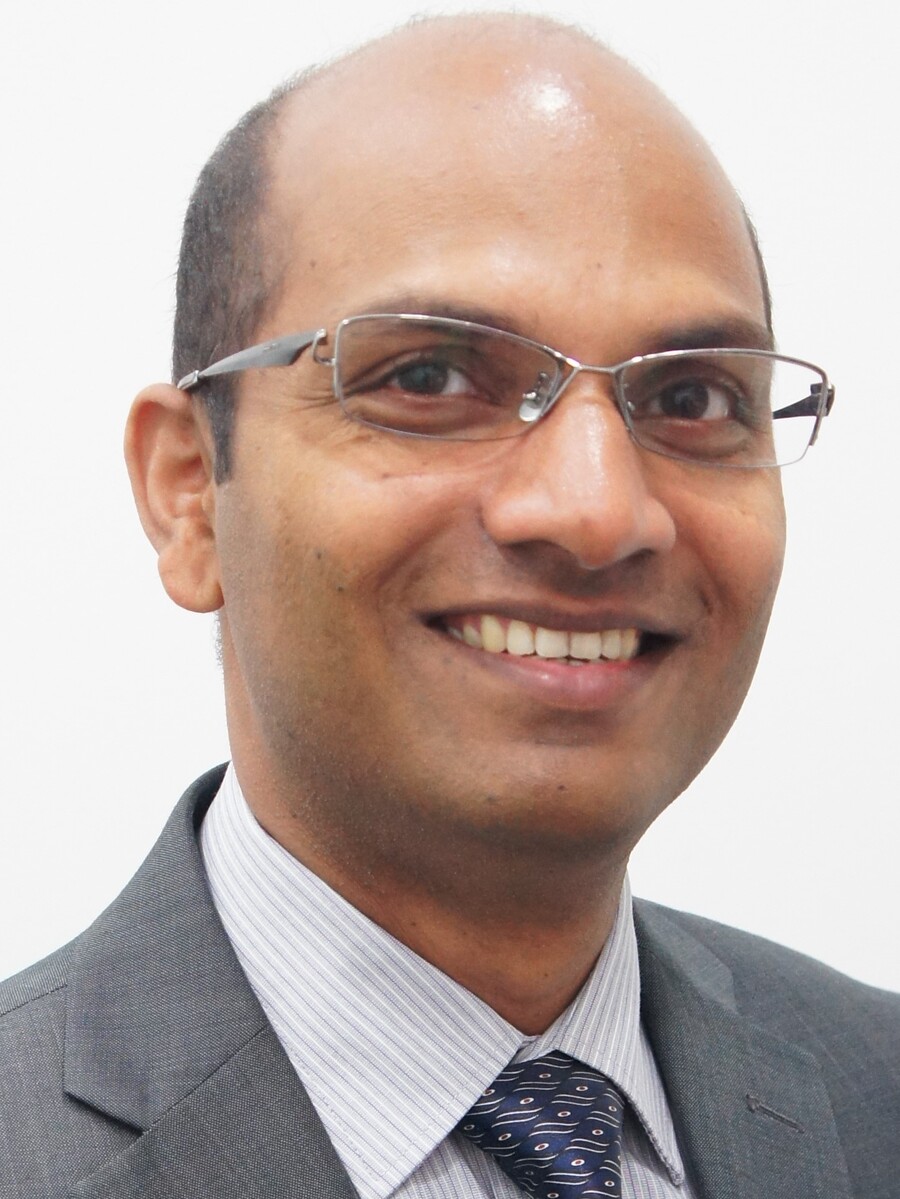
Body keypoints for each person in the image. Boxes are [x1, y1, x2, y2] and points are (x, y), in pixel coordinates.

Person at [1, 12, 896, 1199]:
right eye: (427, 376)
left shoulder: (875, 1091)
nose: (595, 509)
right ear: (190, 498)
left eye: (689, 396)